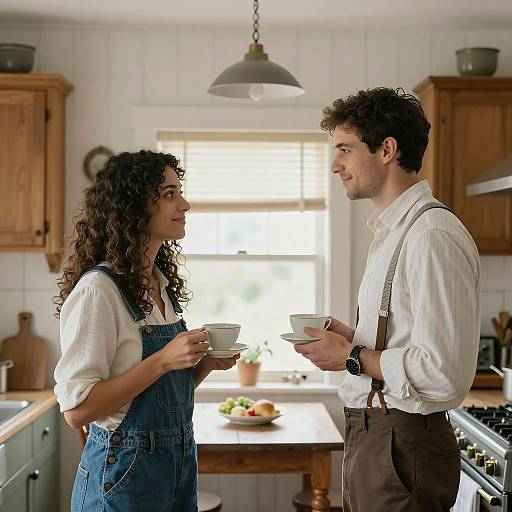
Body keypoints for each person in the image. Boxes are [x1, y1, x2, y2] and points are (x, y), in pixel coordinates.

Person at [294, 88, 480, 512]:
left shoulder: (430, 235)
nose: (334, 165)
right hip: (379, 437)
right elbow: (407, 339)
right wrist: (352, 338)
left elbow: (443, 372)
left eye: (344, 149)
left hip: (402, 442)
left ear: (387, 150)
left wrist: (352, 356)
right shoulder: (395, 231)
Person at [54, 150, 238, 512]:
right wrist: (163, 361)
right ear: (133, 206)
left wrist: (201, 367)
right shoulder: (98, 290)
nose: (184, 203)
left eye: (179, 191)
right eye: (169, 194)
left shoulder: (159, 283)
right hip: (123, 471)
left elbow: (152, 395)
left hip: (178, 462)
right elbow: (76, 411)